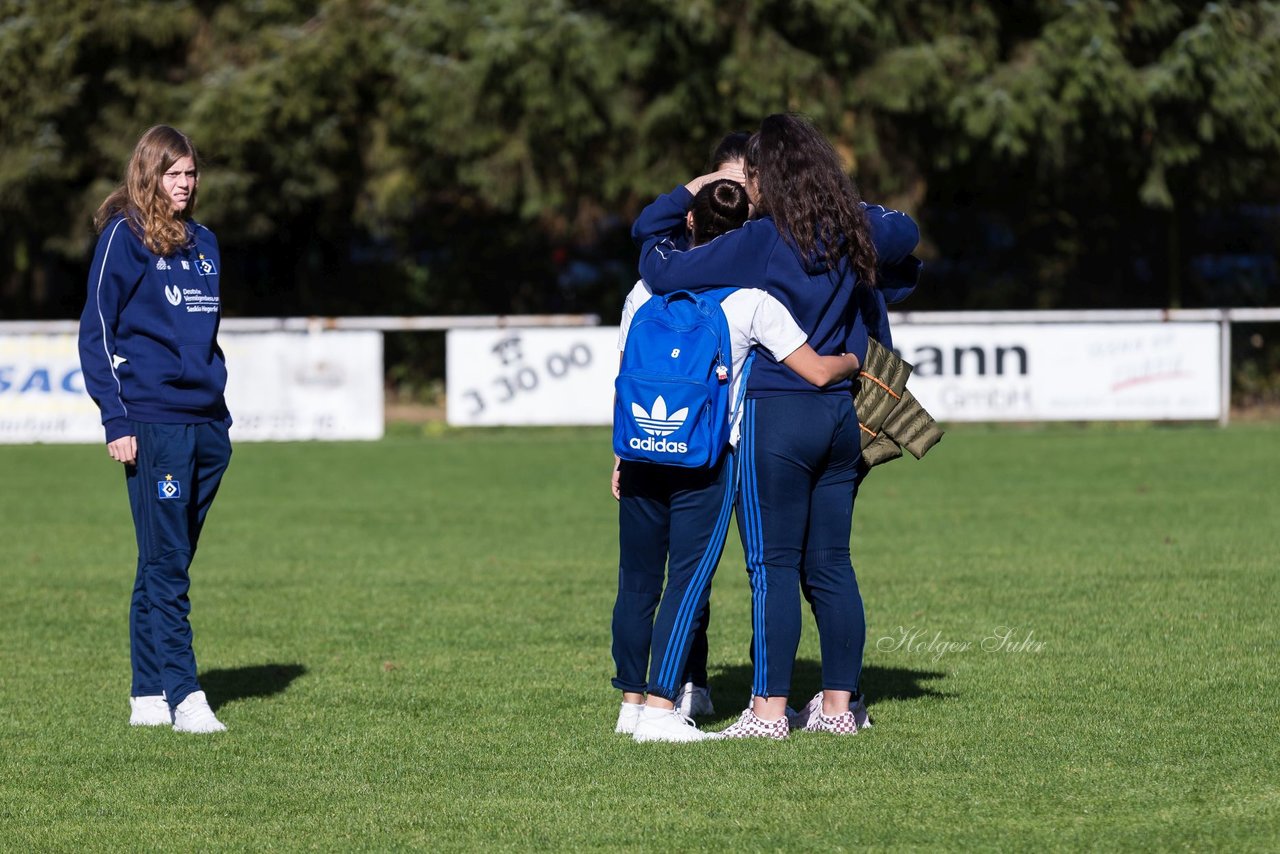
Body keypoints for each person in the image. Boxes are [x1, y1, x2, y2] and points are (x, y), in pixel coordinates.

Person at [632, 114, 921, 738]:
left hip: (777, 413)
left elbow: (658, 260)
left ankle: (768, 713)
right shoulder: (852, 230)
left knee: (773, 566)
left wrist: (690, 190)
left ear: (765, 178)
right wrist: (850, 203)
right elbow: (906, 230)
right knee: (833, 565)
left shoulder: (762, 241)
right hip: (842, 417)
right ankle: (840, 709)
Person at [612, 178, 864, 742]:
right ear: (745, 233)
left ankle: (631, 702)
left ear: (691, 224)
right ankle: (659, 710)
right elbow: (818, 371)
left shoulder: (642, 291)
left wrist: (619, 452)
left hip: (643, 447)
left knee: (636, 582)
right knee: (690, 580)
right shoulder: (751, 302)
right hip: (707, 459)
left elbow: (625, 373)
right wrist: (854, 358)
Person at [78, 125, 233, 734]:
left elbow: (206, 335)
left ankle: (147, 692)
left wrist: (220, 408)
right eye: (174, 174)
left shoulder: (206, 244)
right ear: (149, 174)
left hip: (208, 426)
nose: (186, 184)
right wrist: (116, 418)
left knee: (165, 561)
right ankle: (185, 695)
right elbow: (97, 331)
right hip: (153, 423)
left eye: (191, 174)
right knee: (168, 565)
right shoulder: (124, 238)